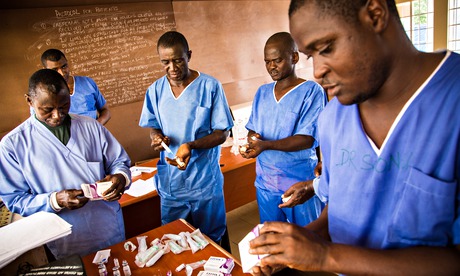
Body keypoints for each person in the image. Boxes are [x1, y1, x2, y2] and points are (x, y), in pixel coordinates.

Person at [249, 0, 460, 275]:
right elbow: (338, 210)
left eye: (326, 48)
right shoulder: (334, 118)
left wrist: (326, 256)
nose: (317, 71)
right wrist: (292, 249)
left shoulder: (451, 105)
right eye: (312, 56)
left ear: (375, 14)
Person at [0, 69, 131, 260]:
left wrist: (121, 176)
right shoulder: (13, 145)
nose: (57, 115)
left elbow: (119, 161)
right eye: (47, 110)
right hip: (65, 238)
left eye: (63, 106)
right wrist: (55, 200)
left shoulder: (90, 126)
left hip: (107, 227)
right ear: (30, 101)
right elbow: (15, 200)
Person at [139, 31, 233, 243]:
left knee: (211, 239)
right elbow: (153, 125)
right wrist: (157, 137)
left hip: (204, 181)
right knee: (173, 239)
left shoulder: (210, 87)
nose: (172, 68)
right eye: (165, 62)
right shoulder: (155, 90)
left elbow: (222, 132)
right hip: (172, 183)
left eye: (178, 60)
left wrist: (191, 145)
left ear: (189, 55)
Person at [240, 32, 326, 226]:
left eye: (277, 60)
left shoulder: (311, 92)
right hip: (266, 182)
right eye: (267, 62)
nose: (272, 67)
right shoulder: (262, 93)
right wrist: (253, 139)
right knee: (273, 236)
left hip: (299, 181)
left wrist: (265, 145)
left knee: (307, 238)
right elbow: (252, 129)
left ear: (294, 57)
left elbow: (307, 138)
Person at [38, 48, 111, 125]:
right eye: (55, 70)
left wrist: (96, 127)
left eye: (64, 66)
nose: (62, 73)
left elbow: (105, 110)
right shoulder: (42, 94)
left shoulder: (88, 82)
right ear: (45, 70)